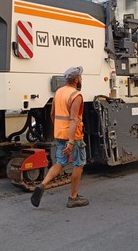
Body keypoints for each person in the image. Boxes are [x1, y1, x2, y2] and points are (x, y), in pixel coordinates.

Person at [31, 66, 89, 208]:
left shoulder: (58, 92)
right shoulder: (76, 96)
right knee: (78, 164)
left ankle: (42, 185)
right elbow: (74, 119)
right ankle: (73, 197)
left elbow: (52, 114)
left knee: (60, 162)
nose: (81, 79)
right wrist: (71, 141)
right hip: (73, 137)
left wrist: (60, 130)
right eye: (80, 77)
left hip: (60, 134)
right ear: (76, 80)